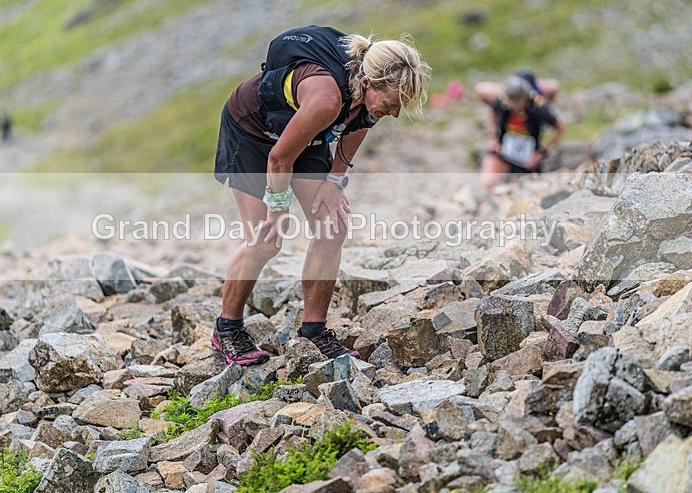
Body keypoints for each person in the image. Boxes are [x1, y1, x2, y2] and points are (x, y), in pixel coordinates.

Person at [212, 25, 430, 365]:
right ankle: (227, 329)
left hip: (306, 133)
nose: (395, 113)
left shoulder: (368, 95)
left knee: (332, 227)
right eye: (391, 104)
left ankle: (314, 332)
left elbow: (359, 124)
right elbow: (279, 159)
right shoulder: (327, 99)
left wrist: (335, 180)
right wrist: (277, 209)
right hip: (253, 130)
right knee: (264, 240)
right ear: (368, 83)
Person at [475, 75, 565, 189]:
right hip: (503, 153)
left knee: (520, 189)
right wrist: (493, 137)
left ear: (525, 99)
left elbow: (559, 127)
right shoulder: (502, 102)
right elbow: (490, 107)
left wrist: (542, 152)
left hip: (527, 161)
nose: (513, 108)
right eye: (510, 103)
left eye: (517, 105)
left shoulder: (537, 107)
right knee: (487, 182)